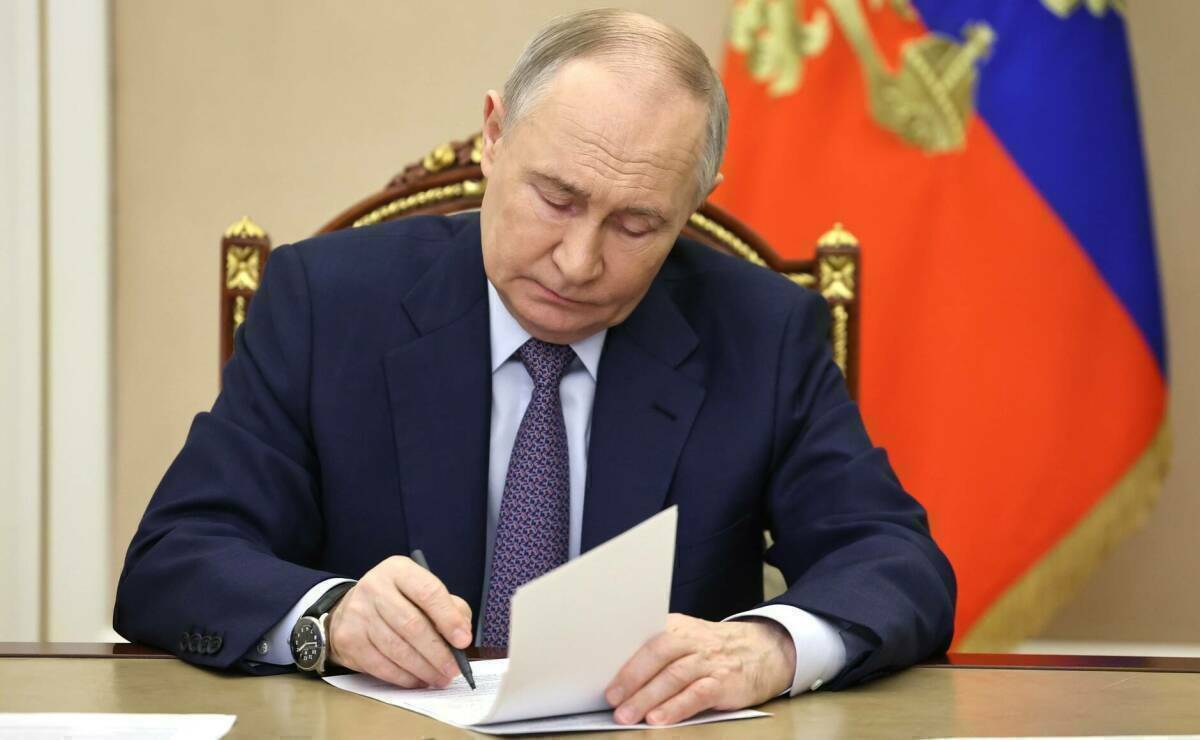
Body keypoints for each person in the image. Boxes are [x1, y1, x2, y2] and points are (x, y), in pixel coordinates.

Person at [114, 8, 955, 726]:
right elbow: (176, 557)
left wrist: (770, 646)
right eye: (556, 198)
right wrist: (327, 619)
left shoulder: (761, 333)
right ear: (494, 135)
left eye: (636, 226)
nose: (578, 262)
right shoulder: (326, 305)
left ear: (693, 206)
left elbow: (894, 561)